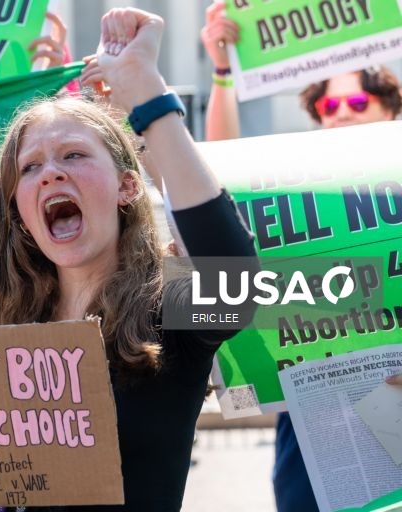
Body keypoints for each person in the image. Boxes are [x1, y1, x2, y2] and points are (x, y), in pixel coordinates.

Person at [0, 7, 259, 511]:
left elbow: (234, 280)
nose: (50, 173)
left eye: (73, 155)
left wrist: (146, 93)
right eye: (30, 167)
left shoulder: (167, 306)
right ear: (21, 212)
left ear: (126, 186)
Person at [200, 3, 402, 511]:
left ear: (391, 109)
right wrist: (223, 71)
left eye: (357, 100)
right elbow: (218, 175)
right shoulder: (301, 191)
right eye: (329, 108)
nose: (343, 113)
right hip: (314, 423)